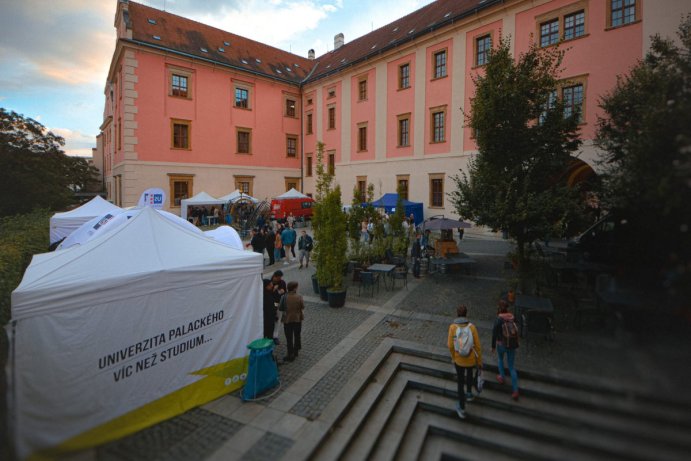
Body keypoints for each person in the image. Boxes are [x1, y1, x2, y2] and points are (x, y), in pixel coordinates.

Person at [447, 304, 482, 419]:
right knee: (470, 374)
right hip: (471, 359)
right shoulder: (472, 327)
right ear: (466, 314)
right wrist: (479, 362)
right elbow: (477, 346)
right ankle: (469, 394)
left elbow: (450, 345)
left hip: (459, 360)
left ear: (457, 314)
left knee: (460, 382)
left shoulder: (453, 327)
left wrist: (453, 357)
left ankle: (461, 407)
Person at [491, 300, 520, 400]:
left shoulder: (499, 319)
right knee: (512, 367)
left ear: (499, 308)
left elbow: (494, 333)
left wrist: (493, 346)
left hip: (501, 344)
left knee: (500, 359)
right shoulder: (512, 317)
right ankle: (515, 390)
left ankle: (502, 377)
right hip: (511, 345)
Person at [281, 281, 305, 362]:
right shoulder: (299, 296)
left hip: (287, 320)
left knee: (289, 337)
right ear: (294, 288)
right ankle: (296, 350)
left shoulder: (284, 297)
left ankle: (290, 353)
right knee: (297, 335)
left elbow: (280, 307)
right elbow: (302, 306)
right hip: (297, 319)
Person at [269, 270, 287, 344]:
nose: (280, 279)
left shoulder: (282, 282)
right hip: (271, 304)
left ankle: (275, 336)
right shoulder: (270, 283)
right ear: (274, 276)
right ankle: (269, 335)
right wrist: (275, 290)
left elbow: (284, 292)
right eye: (279, 277)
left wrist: (280, 291)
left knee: (277, 321)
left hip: (279, 304)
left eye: (280, 277)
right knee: (271, 321)